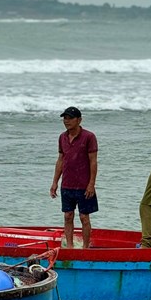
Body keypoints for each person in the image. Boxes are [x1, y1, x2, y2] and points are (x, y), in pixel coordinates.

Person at [50, 106, 98, 249]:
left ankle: (85, 248)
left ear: (79, 120)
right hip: (67, 185)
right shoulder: (62, 137)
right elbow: (60, 160)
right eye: (65, 118)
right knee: (68, 216)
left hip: (84, 185)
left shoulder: (89, 137)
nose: (67, 121)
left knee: (84, 217)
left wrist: (91, 184)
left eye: (70, 118)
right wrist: (54, 182)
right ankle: (70, 247)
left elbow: (93, 161)